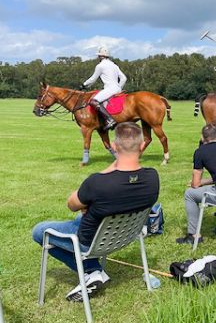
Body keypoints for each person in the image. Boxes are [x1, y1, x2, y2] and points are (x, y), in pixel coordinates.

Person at [32, 122, 160, 301]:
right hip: (127, 235)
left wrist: (89, 200)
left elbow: (71, 204)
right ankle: (93, 271)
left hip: (92, 242)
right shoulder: (153, 176)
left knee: (39, 231)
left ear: (114, 146)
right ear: (142, 145)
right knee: (81, 215)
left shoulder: (97, 183)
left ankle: (92, 271)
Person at [81, 46, 127, 131]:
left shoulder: (100, 66)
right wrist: (119, 88)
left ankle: (110, 120)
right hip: (117, 88)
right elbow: (124, 78)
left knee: (93, 101)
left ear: (100, 56)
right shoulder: (114, 65)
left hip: (109, 89)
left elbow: (93, 79)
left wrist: (84, 85)